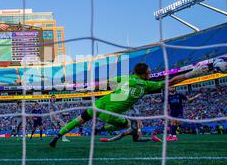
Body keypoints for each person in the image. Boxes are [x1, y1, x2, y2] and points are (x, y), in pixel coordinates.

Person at [49, 62, 208, 148]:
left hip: (100, 103)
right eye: (149, 72)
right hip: (110, 113)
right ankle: (102, 129)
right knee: (129, 124)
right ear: (144, 73)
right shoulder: (148, 85)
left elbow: (102, 84)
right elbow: (172, 81)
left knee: (79, 119)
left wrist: (85, 87)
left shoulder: (125, 77)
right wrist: (191, 74)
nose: (150, 74)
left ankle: (58, 135)